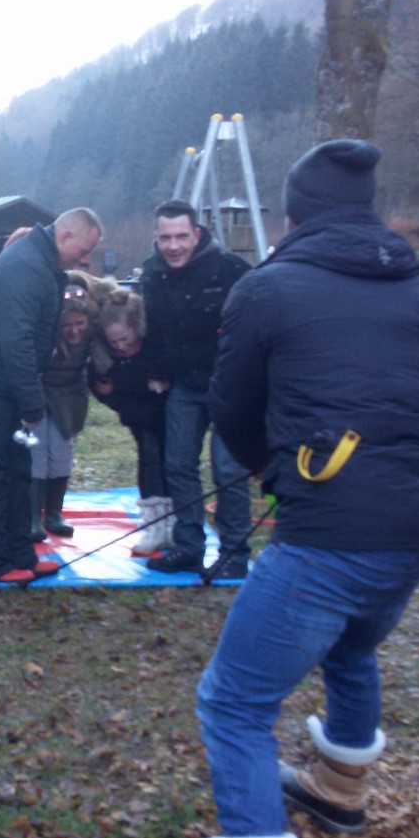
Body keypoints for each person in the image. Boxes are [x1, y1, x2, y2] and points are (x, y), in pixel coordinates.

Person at [134, 141, 419, 838]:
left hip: (333, 528)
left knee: (233, 703)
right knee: (352, 646)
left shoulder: (266, 288)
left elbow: (234, 406)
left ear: (294, 212)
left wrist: (271, 471)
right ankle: (339, 786)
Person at [0, 208, 105, 583]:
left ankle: (21, 555)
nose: (85, 260)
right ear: (65, 236)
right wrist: (33, 404)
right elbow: (15, 341)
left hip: (3, 382)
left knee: (19, 469)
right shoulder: (27, 266)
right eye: (84, 251)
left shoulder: (43, 261)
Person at [140, 199, 253, 579]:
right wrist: (156, 371)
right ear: (156, 238)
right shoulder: (152, 273)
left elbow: (260, 324)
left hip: (231, 387)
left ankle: (235, 554)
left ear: (196, 234)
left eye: (181, 237)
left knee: (228, 470)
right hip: (185, 386)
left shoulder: (233, 270)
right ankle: (189, 547)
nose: (173, 246)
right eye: (165, 238)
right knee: (178, 465)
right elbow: (152, 329)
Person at [27, 270, 111, 540]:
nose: (74, 330)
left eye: (79, 323)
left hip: (70, 395)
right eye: (67, 325)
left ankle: (54, 511)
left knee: (62, 451)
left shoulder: (93, 335)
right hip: (39, 392)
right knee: (37, 451)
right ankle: (32, 515)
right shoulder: (45, 337)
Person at [90, 291, 174, 556]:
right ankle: (155, 525)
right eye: (114, 342)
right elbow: (102, 389)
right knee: (149, 459)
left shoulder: (156, 344)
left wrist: (127, 383)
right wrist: (134, 389)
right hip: (137, 413)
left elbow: (164, 377)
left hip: (168, 409)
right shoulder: (104, 357)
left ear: (137, 328)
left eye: (125, 339)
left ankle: (175, 522)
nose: (120, 347)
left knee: (174, 463)